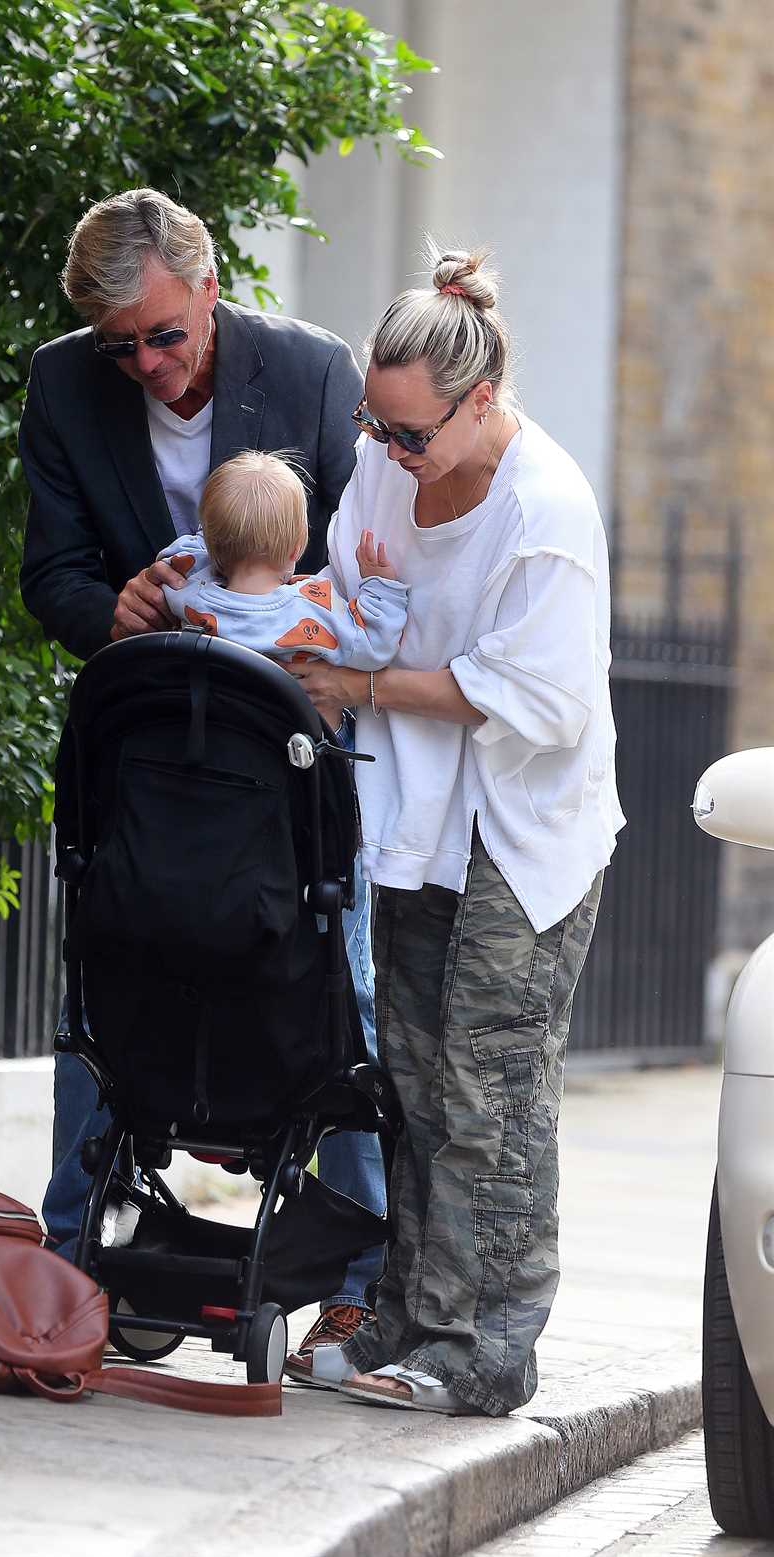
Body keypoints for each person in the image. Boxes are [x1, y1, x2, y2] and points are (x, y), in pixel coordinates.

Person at [18, 187, 386, 1367]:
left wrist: (318, 635)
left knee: (345, 992)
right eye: (118, 346)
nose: (144, 366)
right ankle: (71, 1251)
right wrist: (110, 609)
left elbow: (364, 548)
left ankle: (363, 1276)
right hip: (152, 748)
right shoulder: (64, 384)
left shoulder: (315, 375)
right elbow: (52, 573)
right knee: (109, 974)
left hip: (287, 758)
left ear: (211, 289)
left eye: (164, 337)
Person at [287, 244, 623, 1414]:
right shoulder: (385, 472)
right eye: (373, 429)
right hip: (418, 816)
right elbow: (348, 593)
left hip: (522, 836)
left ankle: (486, 1348)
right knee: (410, 1079)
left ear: (481, 402)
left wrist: (365, 686)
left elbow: (538, 700)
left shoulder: (545, 509)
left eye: (409, 433)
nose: (384, 453)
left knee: (491, 1086)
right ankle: (406, 1314)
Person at [157, 449, 408, 670]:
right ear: (296, 549)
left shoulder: (187, 588)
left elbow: (177, 553)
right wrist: (380, 586)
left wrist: (212, 537)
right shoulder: (312, 608)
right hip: (290, 724)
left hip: (212, 719)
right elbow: (375, 646)